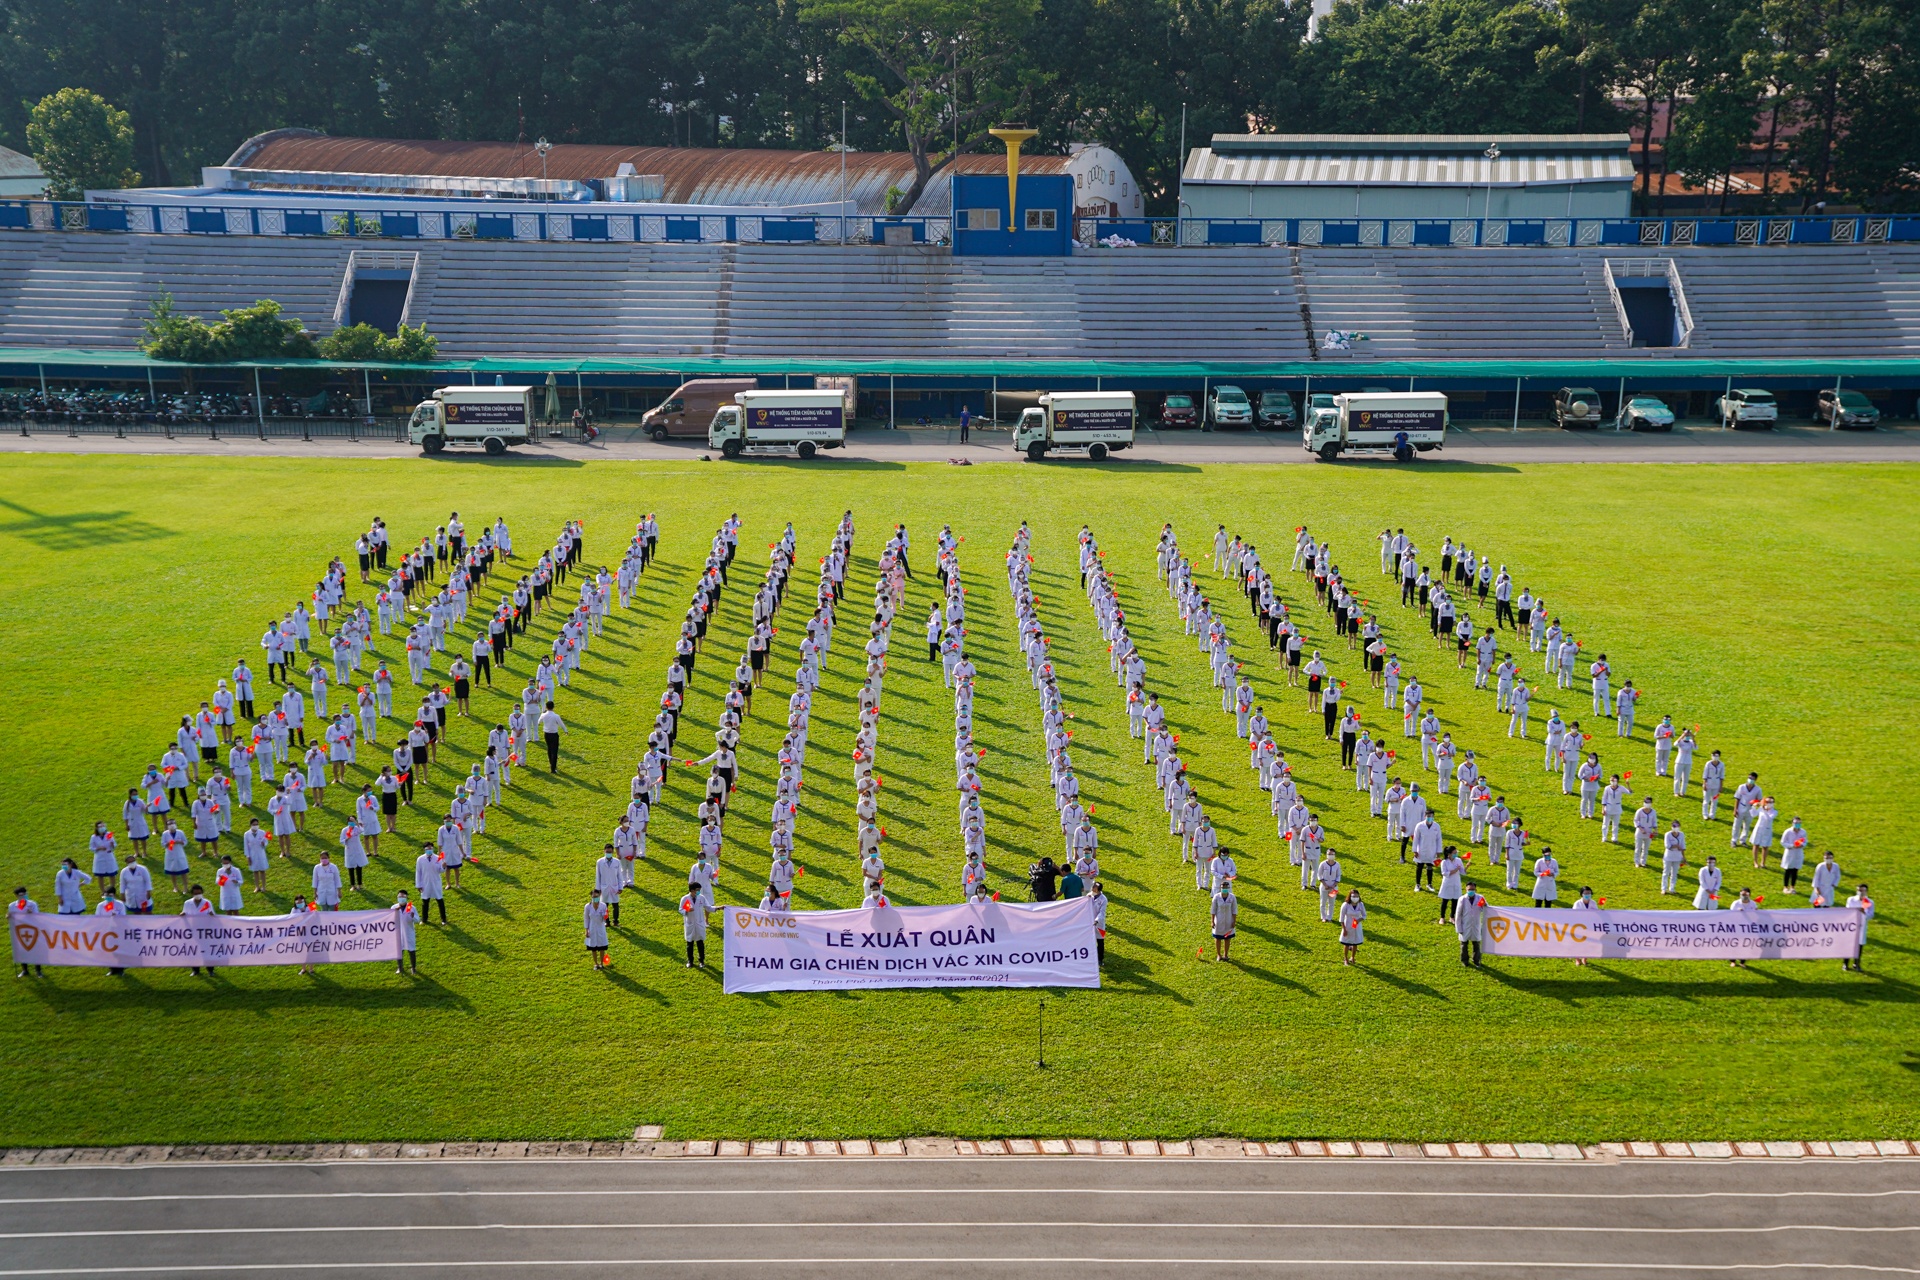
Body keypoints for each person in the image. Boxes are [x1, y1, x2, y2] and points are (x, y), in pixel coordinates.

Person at [11, 887, 44, 976]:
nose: (23, 897)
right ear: (16, 896)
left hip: (32, 930)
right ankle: (25, 970)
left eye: (24, 894)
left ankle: (38, 971)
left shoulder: (32, 904)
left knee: (35, 951)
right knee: (22, 951)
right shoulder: (12, 906)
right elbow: (12, 917)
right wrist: (9, 917)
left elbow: (37, 916)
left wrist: (31, 914)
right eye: (20, 895)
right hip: (20, 931)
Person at [1456, 881, 1488, 967]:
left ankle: (1476, 960)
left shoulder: (1480, 898)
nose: (1471, 891)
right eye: (1469, 889)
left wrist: (1485, 905)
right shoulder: (1462, 899)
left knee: (1476, 944)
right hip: (1465, 925)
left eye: (1473, 889)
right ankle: (1464, 960)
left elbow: (1486, 909)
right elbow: (1458, 915)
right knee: (1464, 944)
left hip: (1476, 925)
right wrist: (1459, 928)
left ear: (1475, 889)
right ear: (1466, 889)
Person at [1843, 884, 1873, 971]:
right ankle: (1845, 964)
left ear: (1866, 891)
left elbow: (1871, 915)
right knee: (1849, 944)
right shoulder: (1851, 900)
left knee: (1859, 945)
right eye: (1859, 890)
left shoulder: (1869, 902)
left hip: (1862, 926)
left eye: (1863, 891)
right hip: (1851, 925)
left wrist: (1864, 912)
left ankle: (1856, 963)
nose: (1861, 892)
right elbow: (1848, 911)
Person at [414, 843, 447, 923]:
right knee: (425, 901)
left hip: (436, 882)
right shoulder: (420, 859)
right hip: (425, 883)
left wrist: (443, 866)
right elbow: (418, 872)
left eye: (431, 849)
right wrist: (418, 885)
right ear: (424, 849)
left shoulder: (438, 858)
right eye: (427, 849)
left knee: (440, 900)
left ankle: (443, 919)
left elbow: (440, 870)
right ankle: (424, 919)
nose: (429, 850)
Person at [681, 882, 708, 968]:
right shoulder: (685, 899)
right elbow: (681, 910)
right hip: (690, 923)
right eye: (697, 890)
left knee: (700, 943)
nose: (699, 892)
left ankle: (701, 961)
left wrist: (718, 908)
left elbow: (708, 907)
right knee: (690, 944)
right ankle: (690, 961)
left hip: (699, 923)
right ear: (692, 890)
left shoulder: (701, 897)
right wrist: (687, 910)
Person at [1436, 845, 1465, 922]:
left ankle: (1452, 917)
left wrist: (1467, 867)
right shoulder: (1444, 862)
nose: (1456, 854)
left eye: (1456, 852)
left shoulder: (1458, 860)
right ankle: (1442, 917)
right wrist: (1455, 870)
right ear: (1449, 854)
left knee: (1455, 900)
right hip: (1448, 883)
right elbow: (1444, 873)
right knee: (1445, 900)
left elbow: (1462, 871)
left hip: (1456, 882)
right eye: (1454, 853)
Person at [585, 888, 611, 969]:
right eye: (593, 897)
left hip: (600, 927)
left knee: (602, 947)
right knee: (593, 948)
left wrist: (605, 916)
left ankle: (601, 963)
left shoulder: (603, 906)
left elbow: (605, 917)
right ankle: (596, 963)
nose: (595, 898)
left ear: (599, 896)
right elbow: (586, 918)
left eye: (596, 896)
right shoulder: (588, 906)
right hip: (592, 928)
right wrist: (586, 930)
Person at [1338, 889, 1367, 965]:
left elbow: (1364, 915)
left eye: (1357, 896)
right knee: (1346, 943)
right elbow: (1341, 918)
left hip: (1356, 926)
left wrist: (1358, 920)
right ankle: (1346, 958)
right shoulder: (1345, 905)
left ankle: (1353, 957)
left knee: (1355, 943)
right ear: (1350, 896)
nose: (1355, 898)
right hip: (1347, 925)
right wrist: (1344, 929)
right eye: (1353, 896)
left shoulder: (1361, 904)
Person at [394, 890, 419, 974]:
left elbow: (417, 920)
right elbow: (390, 920)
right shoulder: (394, 907)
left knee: (411, 950)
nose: (401, 898)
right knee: (399, 951)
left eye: (403, 897)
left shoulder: (411, 907)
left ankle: (413, 968)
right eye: (399, 897)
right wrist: (394, 912)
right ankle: (400, 968)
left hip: (409, 932)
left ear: (406, 897)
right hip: (398, 932)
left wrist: (413, 917)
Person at [1210, 885, 1238, 962]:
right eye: (1223, 888)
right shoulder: (1216, 897)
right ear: (1221, 888)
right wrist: (1212, 921)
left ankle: (1225, 954)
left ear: (1228, 888)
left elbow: (1234, 910)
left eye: (1225, 888)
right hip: (1218, 920)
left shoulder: (1232, 897)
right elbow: (1213, 910)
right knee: (1218, 938)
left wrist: (1234, 921)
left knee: (1227, 938)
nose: (1224, 889)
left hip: (1228, 920)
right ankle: (1219, 954)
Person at [539, 702, 566, 773]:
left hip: (546, 734)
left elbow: (538, 722)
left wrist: (542, 714)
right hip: (554, 734)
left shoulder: (543, 715)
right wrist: (565, 730)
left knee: (549, 749)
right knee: (554, 751)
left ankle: (551, 764)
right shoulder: (556, 716)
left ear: (546, 707)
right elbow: (561, 724)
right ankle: (553, 768)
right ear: (553, 707)